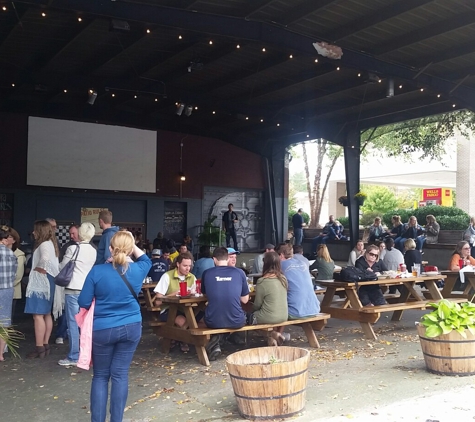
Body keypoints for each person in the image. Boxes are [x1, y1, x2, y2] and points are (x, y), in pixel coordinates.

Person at [78, 231, 151, 422]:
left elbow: (83, 301)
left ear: (110, 248)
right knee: (120, 375)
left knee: (101, 376)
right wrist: (130, 244)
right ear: (129, 249)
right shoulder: (139, 269)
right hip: (132, 326)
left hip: (103, 329)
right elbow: (145, 259)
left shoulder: (97, 271)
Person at [58, 222, 97, 367]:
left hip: (73, 289)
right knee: (87, 324)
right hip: (87, 290)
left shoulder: (73, 248)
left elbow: (62, 266)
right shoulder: (93, 250)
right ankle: (88, 354)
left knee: (73, 323)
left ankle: (74, 355)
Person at [201, 247, 249, 360]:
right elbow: (245, 300)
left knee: (200, 318)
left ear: (214, 259)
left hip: (212, 321)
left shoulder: (207, 273)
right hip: (237, 321)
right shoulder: (239, 272)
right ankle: (220, 340)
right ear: (227, 258)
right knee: (243, 315)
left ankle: (217, 340)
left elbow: (204, 293)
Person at [24, 220, 60, 358]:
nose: (33, 232)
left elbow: (44, 259)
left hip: (40, 281)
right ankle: (45, 344)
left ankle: (39, 347)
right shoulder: (51, 243)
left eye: (35, 230)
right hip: (49, 280)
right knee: (46, 313)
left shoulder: (44, 244)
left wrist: (38, 269)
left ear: (40, 231)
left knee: (37, 314)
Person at [153, 252, 196, 352]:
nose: (187, 268)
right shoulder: (167, 276)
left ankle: (179, 339)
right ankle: (183, 340)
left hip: (186, 309)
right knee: (184, 322)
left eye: (189, 266)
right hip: (168, 310)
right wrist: (174, 294)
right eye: (185, 265)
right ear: (178, 264)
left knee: (202, 320)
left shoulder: (192, 277)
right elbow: (158, 301)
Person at [276, 243, 320, 339]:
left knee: (276, 306)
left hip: (296, 312)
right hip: (314, 308)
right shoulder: (302, 263)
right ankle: (279, 334)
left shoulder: (280, 266)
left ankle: (276, 334)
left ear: (281, 255)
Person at [250, 252, 288, 345]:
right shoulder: (283, 278)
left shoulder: (262, 281)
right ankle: (272, 338)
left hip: (268, 317)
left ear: (265, 264)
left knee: (249, 318)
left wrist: (249, 307)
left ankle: (272, 334)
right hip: (284, 316)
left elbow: (257, 305)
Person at [0, 227, 18, 361]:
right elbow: (14, 274)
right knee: (4, 320)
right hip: (7, 289)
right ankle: (1, 353)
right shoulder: (12, 254)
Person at [2, 226, 25, 322]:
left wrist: (5, 285)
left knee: (6, 320)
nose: (6, 239)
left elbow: (18, 276)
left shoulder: (19, 255)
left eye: (9, 236)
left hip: (12, 291)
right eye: (4, 236)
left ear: (14, 240)